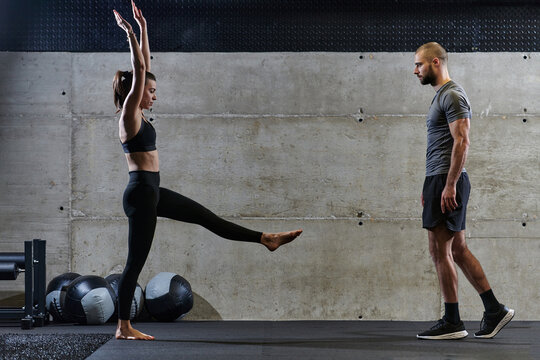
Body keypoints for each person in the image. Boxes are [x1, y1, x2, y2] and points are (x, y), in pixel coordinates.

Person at [112, 2, 302, 340]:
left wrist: (143, 29)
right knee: (134, 263)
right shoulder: (129, 115)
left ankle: (266, 239)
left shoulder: (139, 112)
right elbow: (140, 71)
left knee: (206, 218)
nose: (154, 96)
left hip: (151, 190)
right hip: (141, 194)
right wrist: (130, 36)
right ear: (136, 93)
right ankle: (123, 327)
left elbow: (146, 68)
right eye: (151, 92)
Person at [413, 42, 514, 340]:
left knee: (439, 250)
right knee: (456, 249)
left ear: (435, 62)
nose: (415, 70)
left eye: (419, 65)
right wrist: (431, 184)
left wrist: (449, 184)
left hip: (447, 179)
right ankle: (493, 310)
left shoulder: (453, 95)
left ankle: (453, 321)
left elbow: (462, 141)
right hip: (439, 178)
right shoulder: (442, 96)